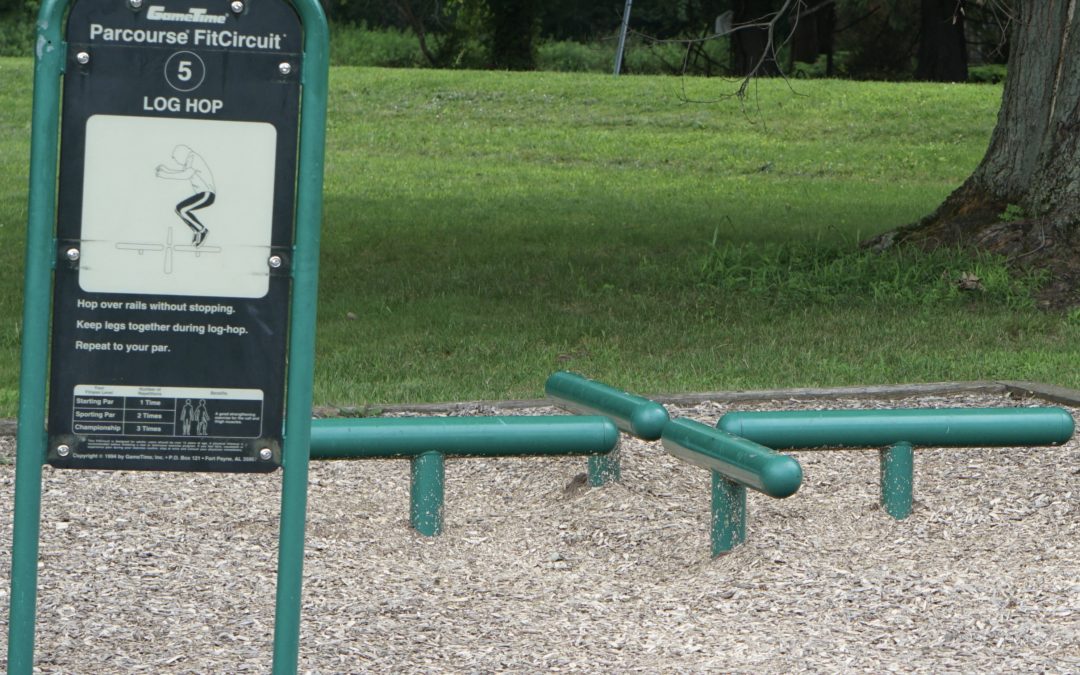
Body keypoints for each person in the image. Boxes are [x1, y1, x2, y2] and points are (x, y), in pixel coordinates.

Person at [155, 145, 216, 246]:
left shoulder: (193, 158)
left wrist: (164, 174)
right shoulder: (191, 159)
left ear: (181, 154)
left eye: (176, 158)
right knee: (180, 209)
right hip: (204, 194)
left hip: (207, 194)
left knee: (182, 209)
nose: (178, 162)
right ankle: (197, 231)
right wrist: (166, 170)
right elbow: (183, 172)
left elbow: (185, 175)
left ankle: (202, 230)